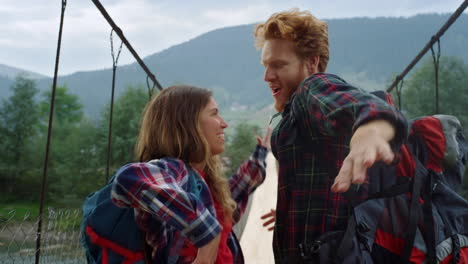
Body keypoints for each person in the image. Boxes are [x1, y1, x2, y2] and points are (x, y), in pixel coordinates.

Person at [254, 9, 408, 262]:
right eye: (266, 65)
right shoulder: (303, 115)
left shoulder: (311, 89)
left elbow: (372, 107)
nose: (267, 76)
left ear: (312, 63)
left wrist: (368, 134)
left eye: (279, 65)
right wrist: (290, 210)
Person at [111, 85, 270, 264]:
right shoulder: (174, 171)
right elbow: (128, 178)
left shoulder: (203, 181)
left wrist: (260, 155)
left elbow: (229, 201)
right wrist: (208, 234)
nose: (224, 123)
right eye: (214, 113)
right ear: (188, 123)